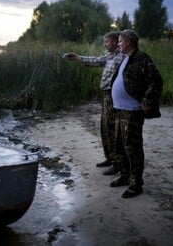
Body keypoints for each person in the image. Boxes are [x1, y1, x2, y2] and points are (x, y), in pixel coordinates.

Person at [110, 29, 163, 198]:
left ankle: (136, 183)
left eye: (120, 41)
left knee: (132, 149)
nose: (118, 43)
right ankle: (125, 176)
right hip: (119, 110)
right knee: (119, 146)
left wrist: (147, 100)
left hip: (132, 112)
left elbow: (156, 81)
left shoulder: (142, 58)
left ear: (129, 41)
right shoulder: (125, 58)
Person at [63, 31, 124, 175]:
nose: (105, 44)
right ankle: (109, 158)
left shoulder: (122, 56)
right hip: (106, 96)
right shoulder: (109, 56)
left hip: (114, 97)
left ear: (115, 42)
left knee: (111, 128)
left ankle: (117, 163)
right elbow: (96, 61)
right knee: (104, 127)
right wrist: (78, 58)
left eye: (107, 41)